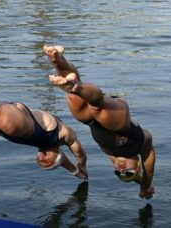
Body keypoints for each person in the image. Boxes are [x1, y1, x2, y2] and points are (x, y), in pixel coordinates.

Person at [44, 45, 155, 199]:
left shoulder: (110, 154)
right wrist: (145, 187)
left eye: (118, 172)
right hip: (119, 119)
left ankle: (57, 59)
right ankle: (76, 85)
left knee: (72, 97)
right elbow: (148, 172)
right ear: (137, 165)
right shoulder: (143, 146)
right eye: (128, 172)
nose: (122, 169)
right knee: (97, 106)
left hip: (89, 121)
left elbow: (125, 170)